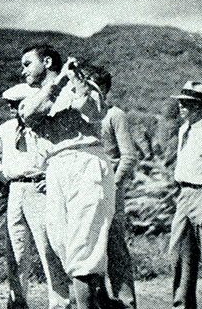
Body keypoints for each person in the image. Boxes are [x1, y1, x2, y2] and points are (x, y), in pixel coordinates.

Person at [19, 47, 116, 309]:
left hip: (85, 159)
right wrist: (59, 80)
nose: (23, 70)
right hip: (57, 166)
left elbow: (95, 112)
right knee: (62, 244)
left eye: (27, 63)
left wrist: (75, 82)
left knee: (83, 250)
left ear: (47, 61)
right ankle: (101, 302)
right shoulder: (37, 96)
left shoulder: (81, 84)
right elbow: (29, 115)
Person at [0, 83, 70, 309]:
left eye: (18, 105)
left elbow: (62, 156)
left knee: (48, 248)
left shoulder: (45, 127)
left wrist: (50, 177)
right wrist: (4, 175)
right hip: (15, 190)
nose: (13, 110)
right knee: (16, 249)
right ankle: (17, 303)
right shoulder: (5, 129)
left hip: (39, 191)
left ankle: (60, 303)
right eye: (10, 106)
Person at [85, 66, 138, 309]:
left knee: (115, 247)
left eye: (94, 87)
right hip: (85, 190)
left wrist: (113, 186)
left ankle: (126, 303)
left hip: (110, 191)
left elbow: (128, 156)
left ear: (104, 90)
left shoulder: (115, 115)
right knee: (89, 249)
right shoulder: (79, 116)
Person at [169, 80, 202, 309]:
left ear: (201, 107)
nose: (181, 107)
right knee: (180, 255)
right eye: (181, 102)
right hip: (184, 195)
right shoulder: (184, 130)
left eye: (187, 103)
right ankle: (182, 304)